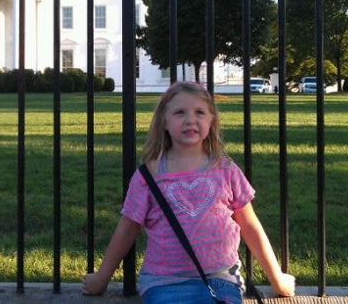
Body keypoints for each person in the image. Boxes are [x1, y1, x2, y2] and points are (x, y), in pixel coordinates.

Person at [82, 81, 295, 303]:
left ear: (211, 120)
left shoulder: (225, 169)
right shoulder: (149, 175)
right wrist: (101, 277)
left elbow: (250, 225)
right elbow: (127, 230)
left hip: (220, 278)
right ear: (164, 121)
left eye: (199, 112)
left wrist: (276, 278)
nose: (190, 120)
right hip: (164, 282)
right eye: (180, 112)